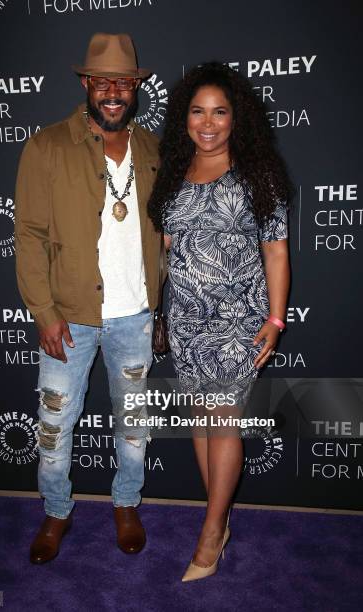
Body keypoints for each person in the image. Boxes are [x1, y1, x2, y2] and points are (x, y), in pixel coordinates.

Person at [15, 33, 161, 564]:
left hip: (136, 317)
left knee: (134, 425)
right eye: (103, 82)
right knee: (54, 426)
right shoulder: (48, 145)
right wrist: (45, 313)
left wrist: (159, 307)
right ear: (86, 84)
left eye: (123, 81)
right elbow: (28, 233)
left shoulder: (153, 149)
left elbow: (162, 235)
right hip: (70, 319)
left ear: (135, 86)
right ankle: (56, 511)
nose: (113, 91)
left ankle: (126, 503)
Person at [148, 62, 291, 581]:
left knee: (222, 419)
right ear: (184, 116)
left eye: (220, 112)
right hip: (185, 317)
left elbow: (275, 251)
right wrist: (158, 308)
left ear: (237, 119)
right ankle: (220, 516)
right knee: (202, 421)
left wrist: (275, 319)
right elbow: (165, 249)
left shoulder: (258, 174)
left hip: (237, 319)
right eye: (197, 112)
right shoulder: (172, 172)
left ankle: (210, 533)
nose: (207, 123)